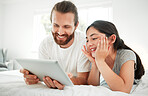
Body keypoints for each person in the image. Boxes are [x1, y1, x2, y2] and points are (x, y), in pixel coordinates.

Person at [20, 1, 90, 90]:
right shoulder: (45, 44)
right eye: (56, 25)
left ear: (76, 26)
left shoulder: (84, 43)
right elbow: (44, 74)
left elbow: (83, 79)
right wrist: (34, 78)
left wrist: (63, 81)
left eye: (66, 27)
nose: (60, 32)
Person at [82, 20, 145, 93]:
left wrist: (100, 61)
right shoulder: (97, 56)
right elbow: (93, 86)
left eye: (94, 38)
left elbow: (124, 90)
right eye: (87, 40)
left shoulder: (126, 55)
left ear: (112, 39)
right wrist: (94, 63)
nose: (89, 44)